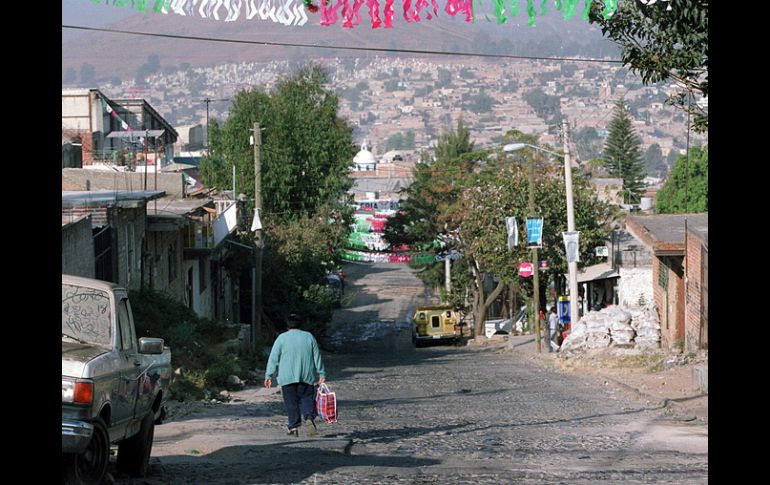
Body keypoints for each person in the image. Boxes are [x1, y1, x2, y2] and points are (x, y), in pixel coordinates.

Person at [264, 314, 327, 437]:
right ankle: (309, 417)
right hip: (306, 376)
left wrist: (268, 375)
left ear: (287, 325)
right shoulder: (309, 337)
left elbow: (273, 358)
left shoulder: (281, 338)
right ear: (301, 324)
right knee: (307, 398)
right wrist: (321, 373)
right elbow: (317, 356)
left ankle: (293, 426)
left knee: (291, 402)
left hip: (287, 377)